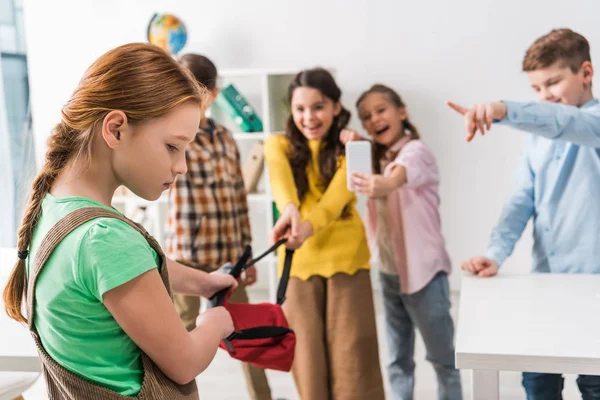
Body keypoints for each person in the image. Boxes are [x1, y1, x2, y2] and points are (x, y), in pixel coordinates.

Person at [2, 43, 236, 399]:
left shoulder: (57, 210)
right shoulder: (105, 239)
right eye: (173, 147)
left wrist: (204, 283)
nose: (182, 165)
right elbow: (185, 361)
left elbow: (128, 269)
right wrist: (212, 324)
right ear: (116, 129)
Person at [447, 28, 600, 399]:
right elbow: (520, 202)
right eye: (536, 89)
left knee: (595, 386)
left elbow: (565, 123)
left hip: (595, 295)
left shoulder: (592, 123)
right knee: (537, 384)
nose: (545, 96)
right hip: (546, 288)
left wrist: (503, 109)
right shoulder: (536, 138)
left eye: (553, 83)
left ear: (586, 73)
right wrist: (495, 254)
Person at [264, 67, 385, 400]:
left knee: (354, 360)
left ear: (335, 106)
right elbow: (281, 184)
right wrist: (290, 210)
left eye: (318, 107)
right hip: (298, 264)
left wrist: (305, 226)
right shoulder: (277, 144)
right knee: (307, 362)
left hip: (347, 260)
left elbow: (336, 200)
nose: (309, 117)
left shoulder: (354, 148)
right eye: (300, 108)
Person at [343, 84, 462, 400]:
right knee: (397, 361)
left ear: (401, 111)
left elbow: (398, 176)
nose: (374, 120)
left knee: (444, 360)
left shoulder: (417, 152)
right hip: (389, 273)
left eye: (381, 110)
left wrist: (384, 183)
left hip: (425, 276)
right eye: (366, 116)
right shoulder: (375, 158)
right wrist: (353, 144)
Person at [166, 53, 274, 400]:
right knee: (177, 338)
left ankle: (263, 397)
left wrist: (248, 255)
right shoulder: (169, 133)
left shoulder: (225, 136)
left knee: (245, 333)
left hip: (229, 258)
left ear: (212, 93)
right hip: (187, 255)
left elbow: (238, 198)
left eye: (195, 90)